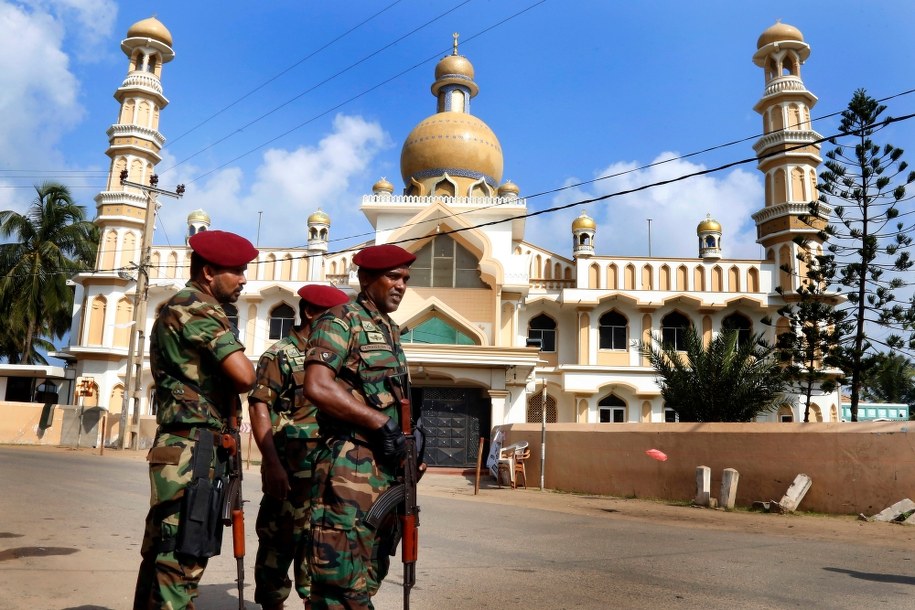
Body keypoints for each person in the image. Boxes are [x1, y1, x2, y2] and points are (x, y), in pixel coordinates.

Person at [133, 229, 259, 610]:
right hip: (193, 449)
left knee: (163, 553)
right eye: (235, 271)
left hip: (187, 444)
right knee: (182, 557)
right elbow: (245, 375)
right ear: (208, 272)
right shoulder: (196, 307)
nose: (243, 279)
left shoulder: (186, 306)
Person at [303, 244, 417, 610]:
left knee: (369, 573)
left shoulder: (389, 330)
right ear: (366, 278)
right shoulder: (340, 320)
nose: (401, 285)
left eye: (405, 279)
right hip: (348, 465)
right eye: (393, 276)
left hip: (385, 471)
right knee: (342, 581)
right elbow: (318, 385)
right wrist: (378, 422)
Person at [249, 284, 350, 610]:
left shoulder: (336, 360)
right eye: (333, 316)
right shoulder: (280, 355)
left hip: (328, 478)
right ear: (310, 312)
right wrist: (272, 464)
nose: (339, 324)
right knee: (276, 553)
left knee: (319, 556)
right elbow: (259, 406)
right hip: (290, 475)